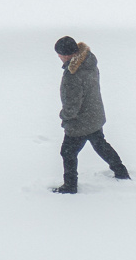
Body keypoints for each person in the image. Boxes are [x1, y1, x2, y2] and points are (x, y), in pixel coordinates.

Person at [51, 35, 130, 193]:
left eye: (59, 54)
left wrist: (64, 116)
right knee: (100, 144)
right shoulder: (89, 62)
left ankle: (70, 186)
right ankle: (121, 172)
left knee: (67, 152)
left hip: (79, 122)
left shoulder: (72, 76)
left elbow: (72, 107)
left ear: (66, 55)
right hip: (94, 115)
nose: (58, 57)